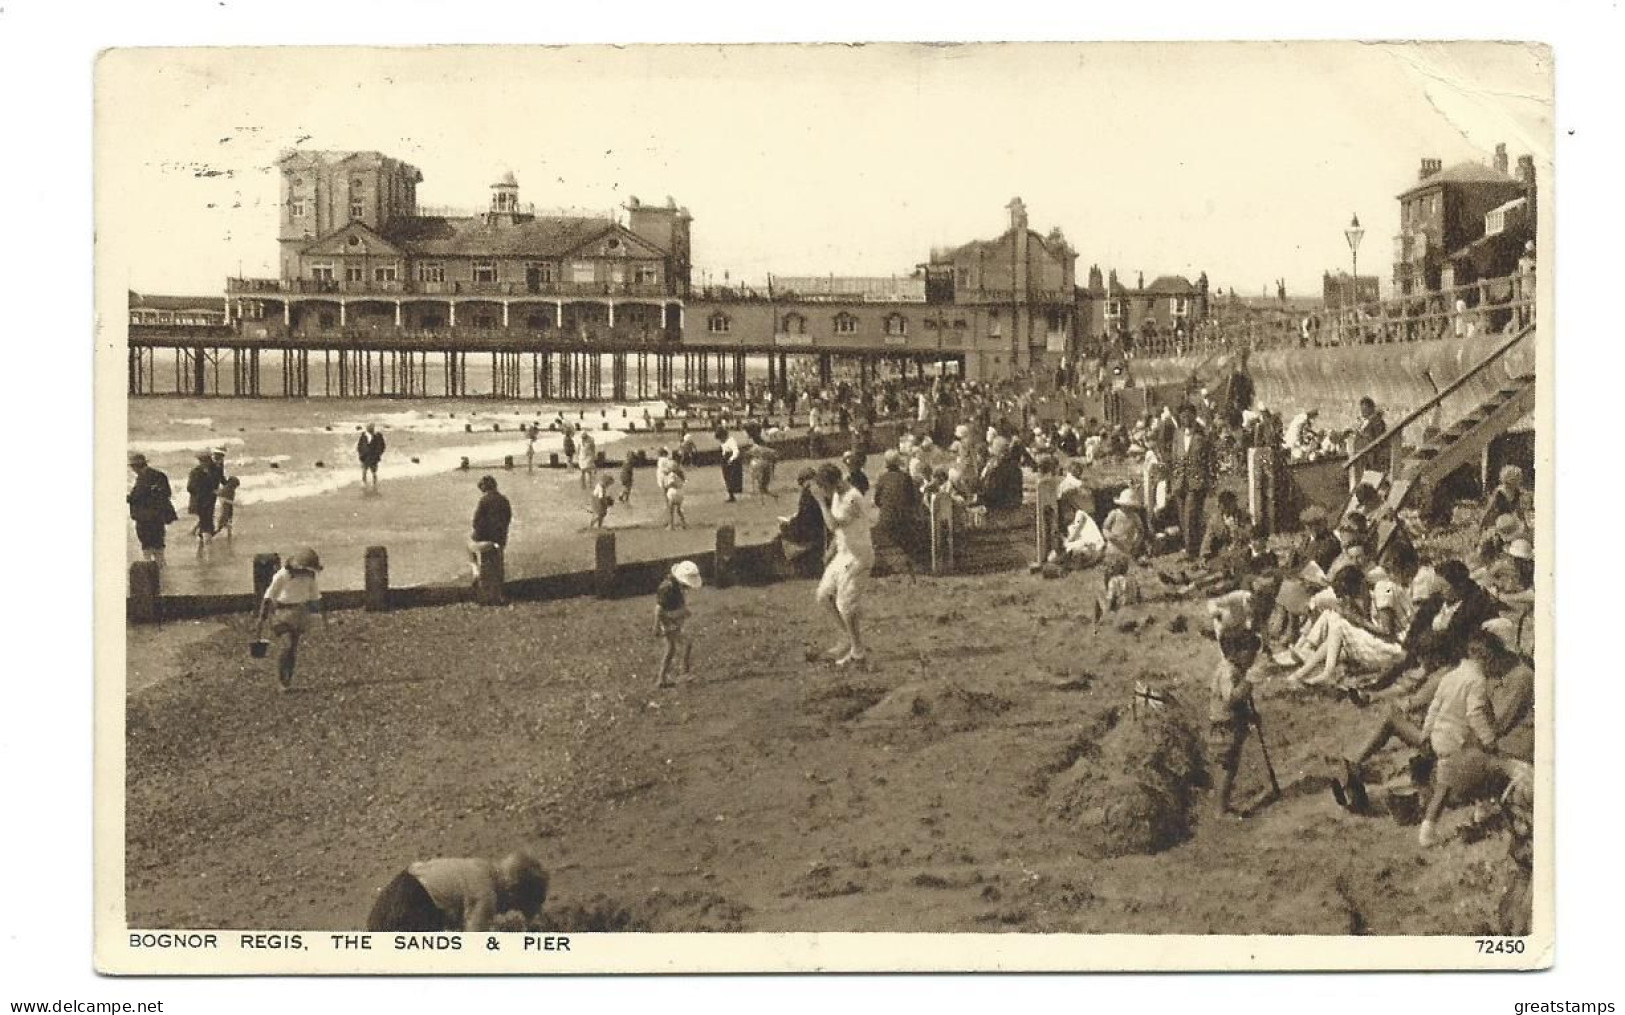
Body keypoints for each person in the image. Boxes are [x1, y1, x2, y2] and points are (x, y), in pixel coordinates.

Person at [366, 852, 549, 932]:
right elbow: (472, 949)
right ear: (513, 891)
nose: (504, 912)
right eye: (512, 907)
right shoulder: (486, 894)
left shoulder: (479, 867)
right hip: (411, 907)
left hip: (390, 898)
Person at [811, 461, 875, 668]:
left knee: (845, 606)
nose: (824, 491)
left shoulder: (852, 498)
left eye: (825, 486)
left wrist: (821, 502)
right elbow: (841, 530)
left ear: (834, 482)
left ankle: (858, 652)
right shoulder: (839, 494)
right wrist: (831, 550)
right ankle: (847, 638)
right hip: (843, 552)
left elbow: (832, 524)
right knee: (823, 596)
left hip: (858, 556)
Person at [255, 547, 326, 692]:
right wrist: (261, 619)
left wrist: (322, 617)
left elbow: (315, 598)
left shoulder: (309, 577)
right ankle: (281, 681)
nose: (305, 572)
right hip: (281, 612)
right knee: (286, 645)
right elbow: (268, 597)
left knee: (293, 648)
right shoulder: (282, 575)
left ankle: (288, 680)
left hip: (299, 613)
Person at [1210, 628, 1263, 818]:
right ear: (1234, 652)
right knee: (1226, 767)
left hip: (1231, 725)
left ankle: (1222, 805)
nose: (1252, 660)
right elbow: (1231, 699)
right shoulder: (1227, 672)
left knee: (1229, 767)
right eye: (1249, 655)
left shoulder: (1236, 669)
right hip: (1225, 728)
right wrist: (1248, 682)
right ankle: (1220, 810)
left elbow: (1239, 705)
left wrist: (1250, 715)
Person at [1170, 404, 1215, 560]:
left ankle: (1191, 552)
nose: (1185, 419)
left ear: (1194, 416)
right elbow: (1174, 458)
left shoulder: (1202, 435)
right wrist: (1173, 481)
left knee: (1190, 515)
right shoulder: (1177, 434)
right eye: (1182, 416)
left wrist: (1210, 481)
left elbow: (1210, 459)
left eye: (1188, 416)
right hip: (1179, 482)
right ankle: (1191, 546)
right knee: (1183, 517)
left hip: (1196, 482)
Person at [653, 560, 702, 689]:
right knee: (685, 643)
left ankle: (662, 678)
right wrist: (657, 626)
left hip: (673, 619)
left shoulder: (674, 587)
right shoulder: (667, 588)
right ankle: (683, 672)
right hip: (668, 621)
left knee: (671, 649)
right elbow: (659, 609)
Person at [872, 449, 922, 572]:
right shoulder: (905, 478)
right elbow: (912, 500)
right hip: (903, 519)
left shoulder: (882, 478)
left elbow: (877, 500)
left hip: (886, 519)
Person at [127, 452, 176, 566]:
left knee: (147, 544)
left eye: (132, 466)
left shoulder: (143, 478)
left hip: (145, 517)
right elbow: (167, 493)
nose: (132, 469)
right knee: (158, 543)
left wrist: (129, 498)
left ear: (136, 466)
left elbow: (138, 497)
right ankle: (161, 567)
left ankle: (150, 569)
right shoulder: (159, 475)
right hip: (158, 515)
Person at [469, 475, 513, 580]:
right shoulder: (504, 499)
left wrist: (477, 535)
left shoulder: (484, 501)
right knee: (499, 559)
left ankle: (476, 573)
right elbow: (508, 517)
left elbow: (476, 522)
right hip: (501, 538)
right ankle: (500, 581)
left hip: (488, 540)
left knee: (468, 548)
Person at [186, 451, 221, 555]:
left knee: (205, 523)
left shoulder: (195, 472)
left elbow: (190, 488)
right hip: (205, 501)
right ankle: (206, 553)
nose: (203, 462)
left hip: (202, 501)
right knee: (206, 524)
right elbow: (191, 488)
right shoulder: (215, 470)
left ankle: (202, 552)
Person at [1479, 465, 1530, 532]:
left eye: (1518, 479)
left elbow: (1519, 511)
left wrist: (1526, 525)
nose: (1517, 482)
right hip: (1497, 521)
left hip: (1509, 520)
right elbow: (1489, 510)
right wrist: (1481, 526)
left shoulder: (1517, 492)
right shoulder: (1499, 493)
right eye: (1514, 479)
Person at [1102, 485, 1147, 560]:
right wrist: (1109, 536)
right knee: (1112, 556)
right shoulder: (1114, 513)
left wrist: (1136, 543)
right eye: (1125, 506)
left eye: (1130, 506)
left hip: (1127, 545)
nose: (1128, 508)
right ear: (1121, 504)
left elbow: (1141, 531)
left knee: (1125, 558)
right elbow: (1105, 527)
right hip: (1114, 544)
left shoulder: (1135, 516)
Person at [1353, 396, 1389, 471]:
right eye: (1362, 409)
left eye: (1365, 409)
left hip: (1372, 459)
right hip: (1362, 457)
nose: (1362, 412)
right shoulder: (1365, 421)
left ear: (1371, 409)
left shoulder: (1377, 422)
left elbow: (1380, 439)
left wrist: (1363, 435)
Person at [716, 428, 743, 502]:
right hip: (725, 460)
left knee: (731, 478)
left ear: (724, 435)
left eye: (720, 438)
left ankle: (732, 495)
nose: (720, 440)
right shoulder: (723, 442)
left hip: (732, 461)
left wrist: (731, 459)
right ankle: (731, 495)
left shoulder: (731, 441)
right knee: (726, 478)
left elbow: (736, 451)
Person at [357, 423, 386, 488]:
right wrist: (360, 453)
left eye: (371, 427)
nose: (369, 428)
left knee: (374, 472)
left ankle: (374, 484)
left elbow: (383, 446)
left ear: (373, 428)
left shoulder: (378, 435)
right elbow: (359, 445)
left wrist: (379, 454)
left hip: (374, 457)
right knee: (364, 471)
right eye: (368, 427)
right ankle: (364, 483)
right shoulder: (363, 435)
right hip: (364, 456)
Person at [575, 428, 597, 493]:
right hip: (582, 457)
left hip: (589, 456)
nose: (583, 439)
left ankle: (590, 484)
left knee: (589, 471)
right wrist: (578, 456)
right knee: (582, 471)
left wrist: (593, 456)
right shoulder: (579, 440)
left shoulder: (591, 439)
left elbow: (593, 448)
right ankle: (583, 485)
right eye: (582, 437)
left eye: (584, 437)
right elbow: (578, 449)